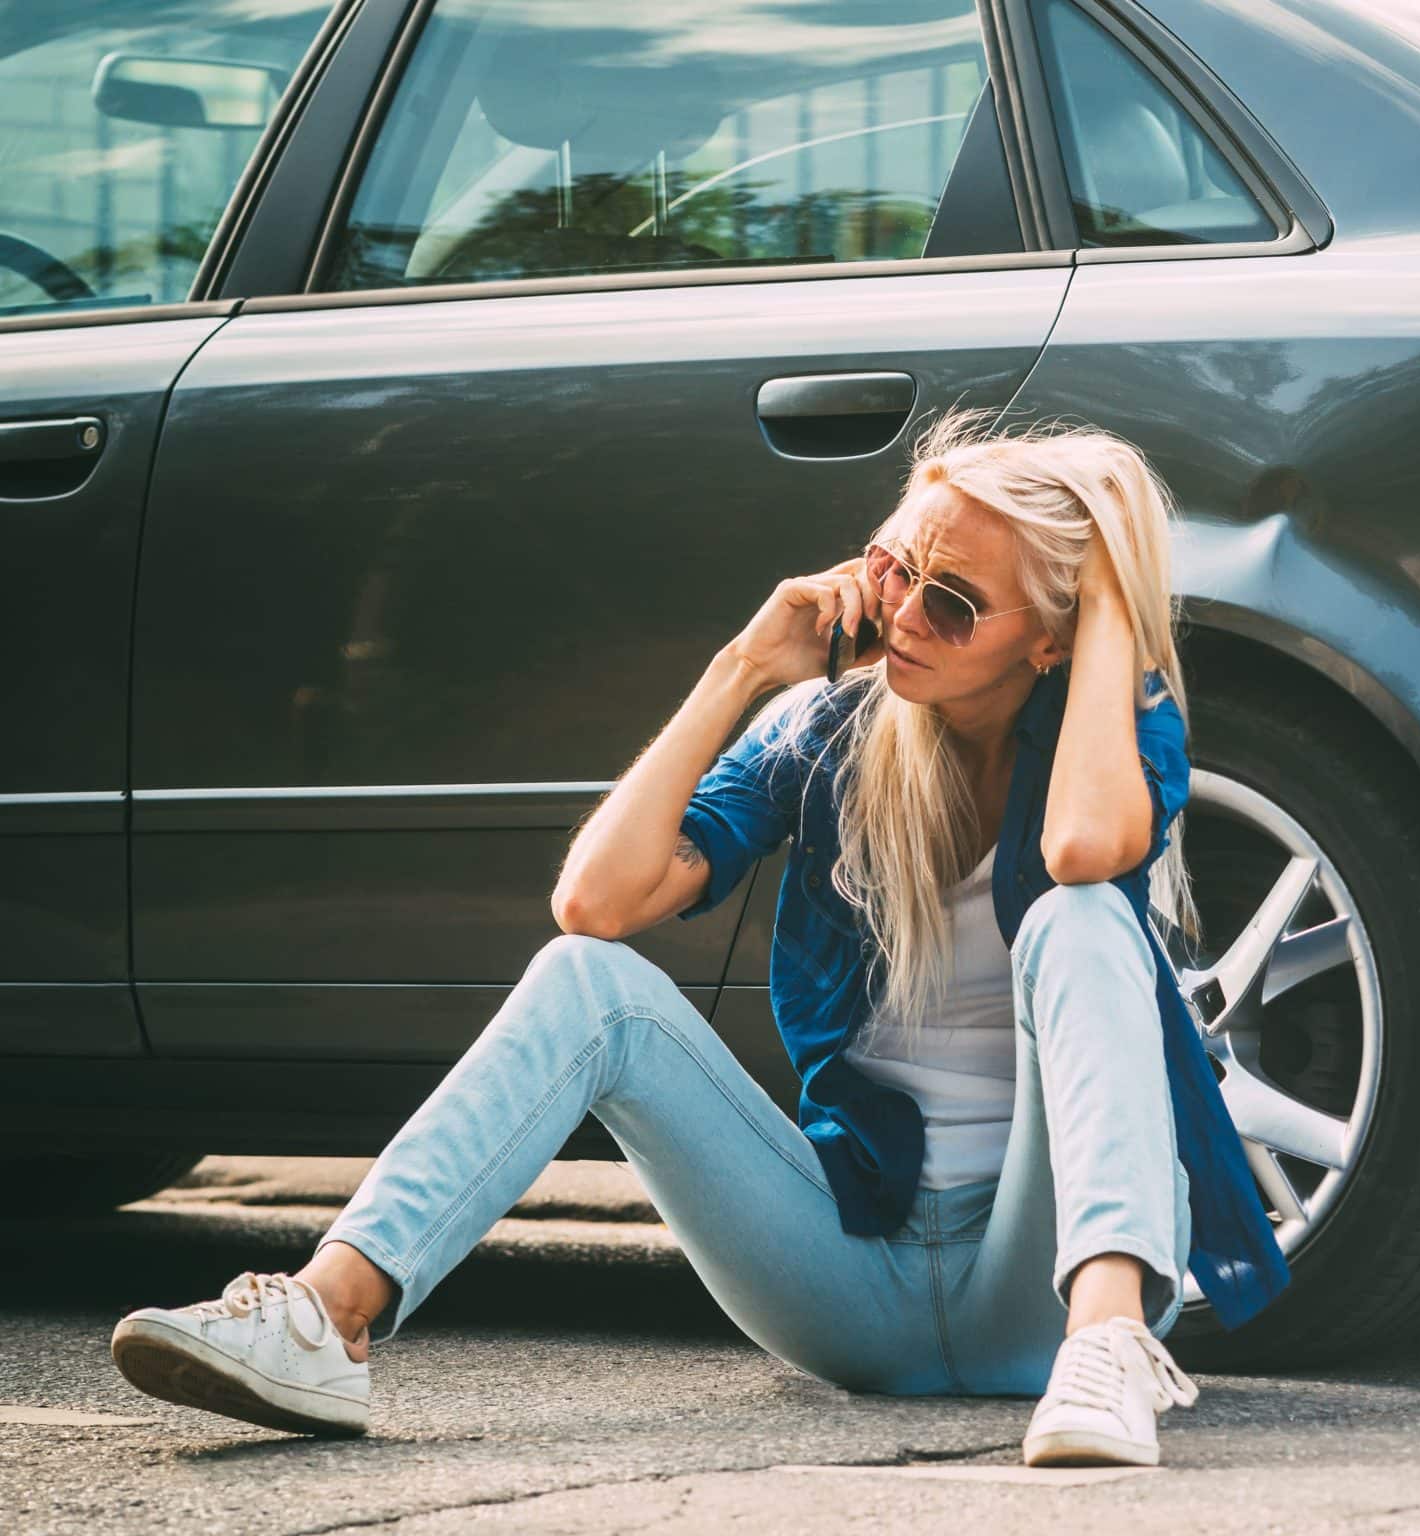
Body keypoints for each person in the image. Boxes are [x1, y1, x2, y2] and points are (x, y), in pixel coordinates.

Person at [108, 408, 1290, 1467]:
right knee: (589, 980)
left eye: (954, 600)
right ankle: (326, 1315)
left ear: (1052, 638)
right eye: (893, 568)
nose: (903, 613)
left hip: (1039, 1289)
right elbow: (596, 903)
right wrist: (741, 668)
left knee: (1085, 922)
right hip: (851, 1279)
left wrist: (1106, 636)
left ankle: (1108, 1350)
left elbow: (1086, 851)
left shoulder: (1121, 728)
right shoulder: (826, 729)